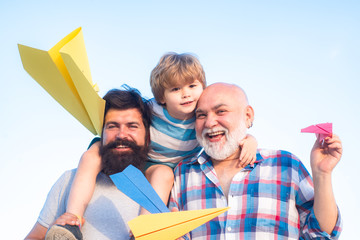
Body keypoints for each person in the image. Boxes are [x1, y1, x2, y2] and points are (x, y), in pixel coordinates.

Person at [59, 52, 259, 236]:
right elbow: (125, 115)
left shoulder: (202, 119)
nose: (186, 94)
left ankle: (143, 230)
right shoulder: (151, 109)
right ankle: (72, 220)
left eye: (192, 86)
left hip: (157, 167)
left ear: (202, 87)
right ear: (161, 97)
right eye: (175, 89)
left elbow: (228, 134)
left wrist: (250, 140)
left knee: (164, 175)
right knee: (91, 156)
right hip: (133, 154)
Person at [169, 82, 343, 239]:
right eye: (201, 115)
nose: (210, 122)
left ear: (247, 115)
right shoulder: (181, 175)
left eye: (221, 111)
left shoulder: (286, 165)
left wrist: (322, 174)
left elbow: (323, 233)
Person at [25, 88, 153, 240]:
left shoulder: (161, 187)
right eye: (112, 126)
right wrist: (50, 233)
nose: (121, 134)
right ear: (102, 134)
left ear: (147, 137)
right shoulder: (70, 180)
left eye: (132, 126)